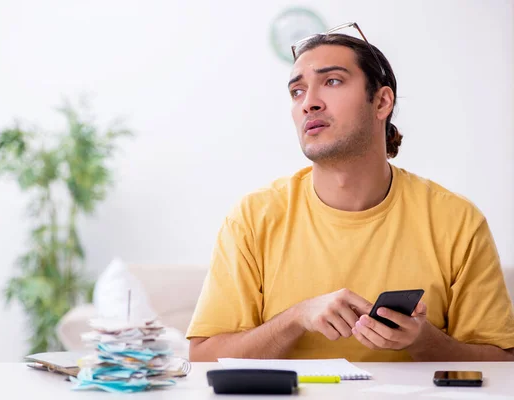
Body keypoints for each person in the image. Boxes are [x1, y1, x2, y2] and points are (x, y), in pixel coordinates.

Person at [186, 23, 514, 362]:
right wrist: (296, 318)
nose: (308, 103)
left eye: (332, 81)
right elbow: (203, 358)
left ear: (382, 102)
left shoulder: (457, 221)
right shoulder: (252, 219)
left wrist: (424, 342)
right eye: (297, 91)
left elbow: (505, 365)